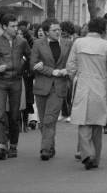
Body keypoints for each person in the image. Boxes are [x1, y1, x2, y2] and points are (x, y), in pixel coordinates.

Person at [66, 17, 107, 170]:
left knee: (83, 122)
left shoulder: (78, 42)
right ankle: (95, 158)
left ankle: (86, 154)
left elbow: (70, 66)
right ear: (104, 30)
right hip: (100, 85)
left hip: (83, 83)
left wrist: (74, 77)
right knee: (98, 123)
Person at [0, 13, 31, 160]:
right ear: (4, 27)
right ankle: (0, 145)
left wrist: (23, 66)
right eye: (13, 26)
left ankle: (14, 145)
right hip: (1, 81)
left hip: (16, 81)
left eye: (16, 26)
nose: (16, 29)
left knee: (14, 115)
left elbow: (30, 57)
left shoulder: (22, 42)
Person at [31, 18, 72, 161]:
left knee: (50, 119)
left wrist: (66, 70)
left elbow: (73, 63)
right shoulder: (37, 44)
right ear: (47, 32)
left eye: (59, 29)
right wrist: (51, 71)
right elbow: (33, 64)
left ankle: (45, 149)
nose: (58, 32)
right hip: (42, 86)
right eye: (54, 30)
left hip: (59, 86)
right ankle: (50, 146)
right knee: (43, 121)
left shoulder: (68, 44)